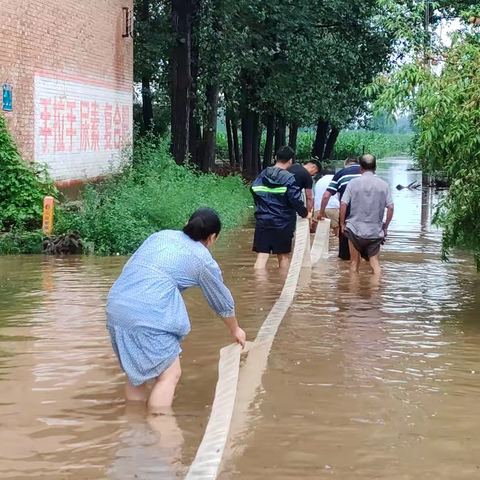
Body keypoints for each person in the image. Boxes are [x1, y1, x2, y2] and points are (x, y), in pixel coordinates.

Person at [106, 208, 246, 411]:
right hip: (148, 312)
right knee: (169, 374)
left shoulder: (160, 236)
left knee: (136, 374)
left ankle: (133, 428)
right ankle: (160, 429)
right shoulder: (202, 259)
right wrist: (236, 329)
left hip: (117, 306)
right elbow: (222, 302)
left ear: (188, 222)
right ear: (213, 237)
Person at [251, 146, 311, 270]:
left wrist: (262, 206)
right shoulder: (289, 178)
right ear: (290, 161)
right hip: (283, 222)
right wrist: (305, 214)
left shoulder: (263, 175)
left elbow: (254, 189)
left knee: (262, 256)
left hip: (263, 219)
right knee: (283, 256)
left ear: (275, 158)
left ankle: (259, 286)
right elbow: (295, 200)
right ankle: (283, 287)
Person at [340, 154, 394, 275]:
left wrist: (342, 224)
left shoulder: (353, 183)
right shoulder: (383, 185)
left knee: (354, 263)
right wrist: (385, 227)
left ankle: (353, 291)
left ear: (361, 168)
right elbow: (390, 207)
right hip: (375, 231)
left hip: (354, 229)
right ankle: (376, 291)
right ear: (375, 167)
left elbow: (343, 204)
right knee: (375, 264)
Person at [318, 157, 361, 260]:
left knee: (345, 238)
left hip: (348, 210)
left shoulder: (341, 173)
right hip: (368, 211)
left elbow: (326, 195)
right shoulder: (370, 174)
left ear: (346, 164)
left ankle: (346, 264)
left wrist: (321, 212)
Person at [313, 167, 340, 236]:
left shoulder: (318, 182)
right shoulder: (335, 180)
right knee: (337, 231)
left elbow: (315, 198)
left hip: (318, 208)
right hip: (333, 207)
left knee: (320, 235)